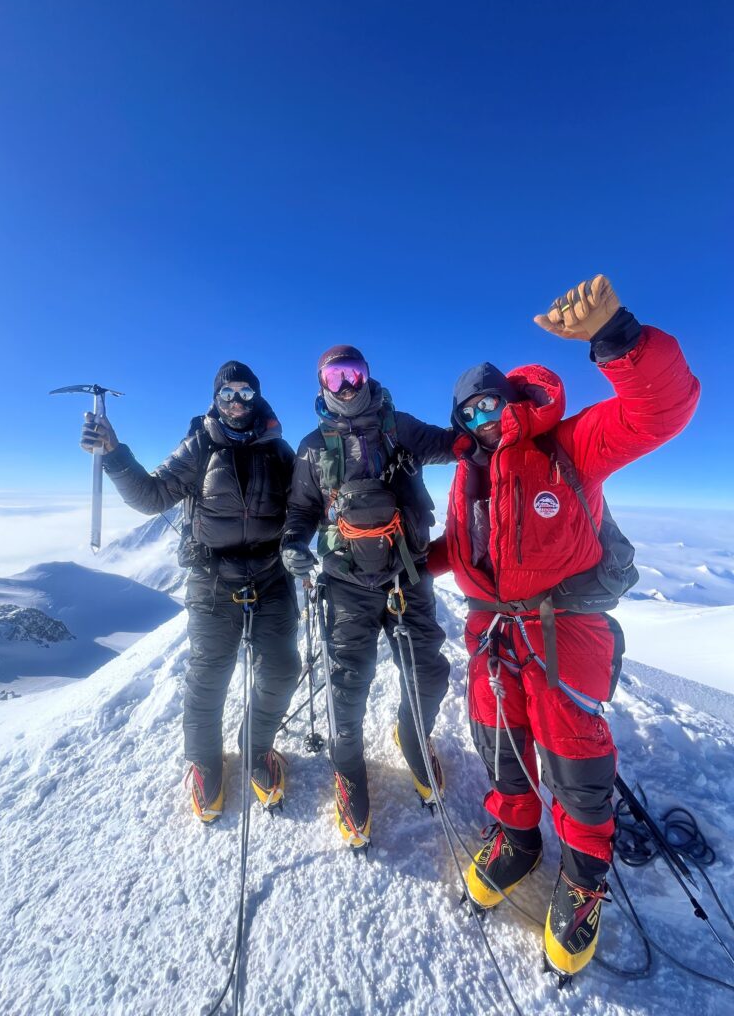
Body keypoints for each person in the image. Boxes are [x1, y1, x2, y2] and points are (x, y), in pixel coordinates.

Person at [428, 275, 700, 978]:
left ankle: (583, 877)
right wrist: (402, 560)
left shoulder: (568, 445)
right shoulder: (471, 475)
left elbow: (658, 412)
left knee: (573, 756)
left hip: (563, 628)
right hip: (492, 634)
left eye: (490, 402)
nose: (482, 418)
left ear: (512, 398)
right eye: (468, 412)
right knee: (498, 740)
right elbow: (462, 551)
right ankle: (516, 838)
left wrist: (619, 340)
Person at [81, 361, 301, 822]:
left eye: (245, 394)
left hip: (270, 575)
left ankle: (256, 749)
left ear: (257, 397)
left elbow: (306, 504)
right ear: (215, 400)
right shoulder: (199, 445)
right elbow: (151, 496)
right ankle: (203, 761)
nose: (237, 403)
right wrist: (115, 453)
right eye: (227, 395)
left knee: (281, 668)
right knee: (209, 674)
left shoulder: (279, 451)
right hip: (212, 578)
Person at [280, 345, 456, 850]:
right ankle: (349, 771)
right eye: (335, 378)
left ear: (369, 376)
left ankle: (413, 738)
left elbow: (453, 445)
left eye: (353, 374)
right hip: (345, 581)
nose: (347, 386)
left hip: (407, 574)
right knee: (348, 681)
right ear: (321, 386)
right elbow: (301, 511)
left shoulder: (400, 427)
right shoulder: (312, 449)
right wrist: (293, 545)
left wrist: (486, 426)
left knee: (427, 670)